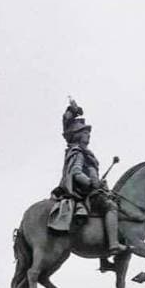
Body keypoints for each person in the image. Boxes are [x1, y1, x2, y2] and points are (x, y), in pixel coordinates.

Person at [50, 100, 123, 263]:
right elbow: (75, 172)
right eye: (86, 133)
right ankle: (113, 244)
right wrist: (91, 183)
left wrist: (101, 184)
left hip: (89, 189)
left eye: (88, 134)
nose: (88, 136)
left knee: (110, 200)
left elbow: (91, 174)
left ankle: (104, 259)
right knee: (111, 206)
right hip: (81, 191)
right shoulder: (79, 152)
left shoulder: (85, 153)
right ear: (79, 135)